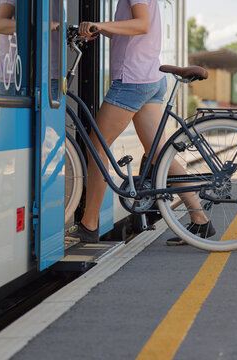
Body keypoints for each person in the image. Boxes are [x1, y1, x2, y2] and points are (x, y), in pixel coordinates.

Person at [66, 0, 215, 246]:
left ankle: (89, 224)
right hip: (149, 77)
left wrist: (100, 24)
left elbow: (141, 25)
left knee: (96, 146)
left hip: (132, 80)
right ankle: (200, 220)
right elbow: (132, 32)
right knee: (159, 155)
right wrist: (100, 30)